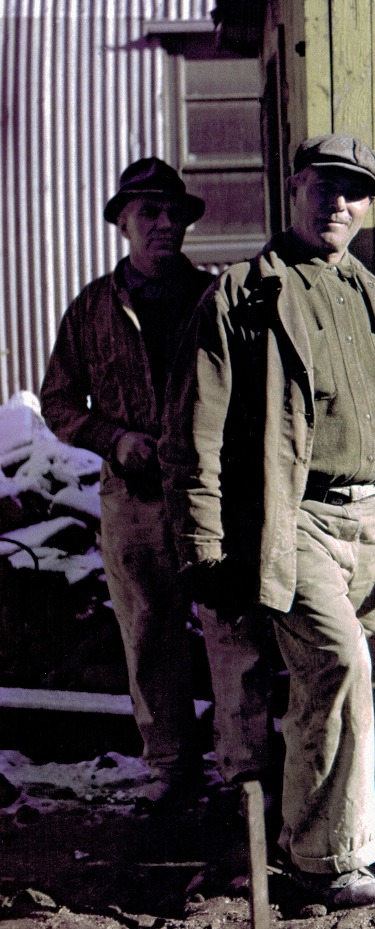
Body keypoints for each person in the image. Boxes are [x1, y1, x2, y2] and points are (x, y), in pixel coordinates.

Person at [160, 134, 375, 910]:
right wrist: (202, 543)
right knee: (338, 668)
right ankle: (328, 861)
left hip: (371, 519)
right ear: (295, 189)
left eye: (355, 192)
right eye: (325, 186)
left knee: (370, 682)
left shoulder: (373, 297)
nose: (339, 202)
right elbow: (193, 432)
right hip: (290, 519)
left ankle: (332, 835)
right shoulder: (243, 294)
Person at [40, 158, 214, 804]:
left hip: (212, 493)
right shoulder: (93, 308)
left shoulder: (213, 298)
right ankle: (170, 765)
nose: (165, 225)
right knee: (149, 629)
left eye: (175, 214)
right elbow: (57, 401)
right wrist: (115, 438)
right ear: (122, 223)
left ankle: (241, 760)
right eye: (149, 214)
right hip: (134, 497)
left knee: (228, 628)